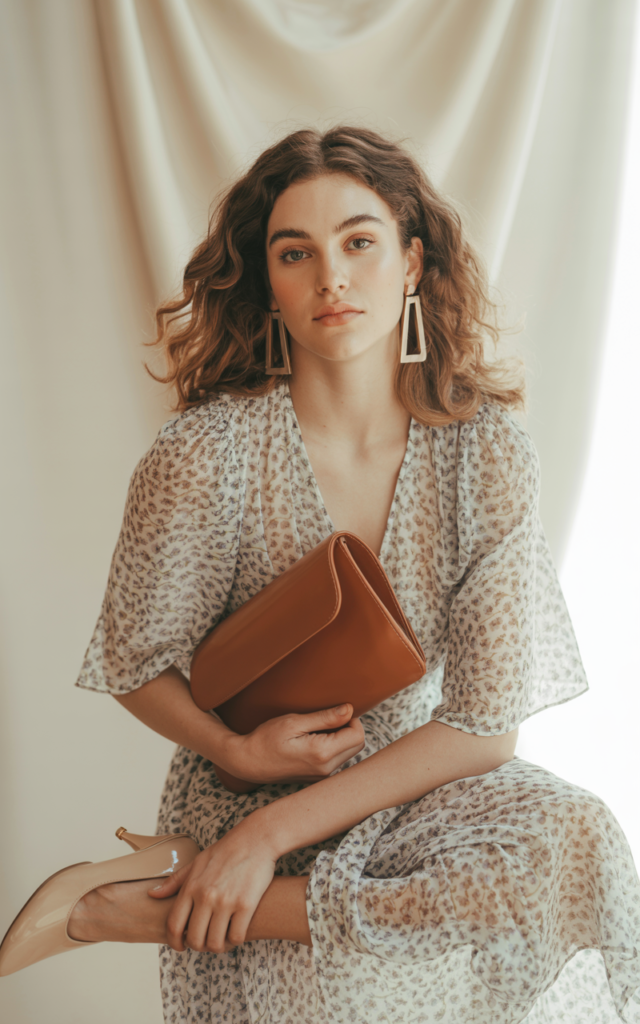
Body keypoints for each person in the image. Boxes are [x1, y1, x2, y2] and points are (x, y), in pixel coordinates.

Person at [1, 126, 639, 1024]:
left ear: (413, 262)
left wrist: (265, 844)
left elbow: (487, 731)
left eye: (359, 242)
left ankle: (153, 907)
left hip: (416, 790)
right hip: (253, 776)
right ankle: (207, 875)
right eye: (294, 252)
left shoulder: (487, 454)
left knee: (575, 846)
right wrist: (236, 758)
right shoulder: (206, 456)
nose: (330, 276)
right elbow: (133, 658)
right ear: (269, 281)